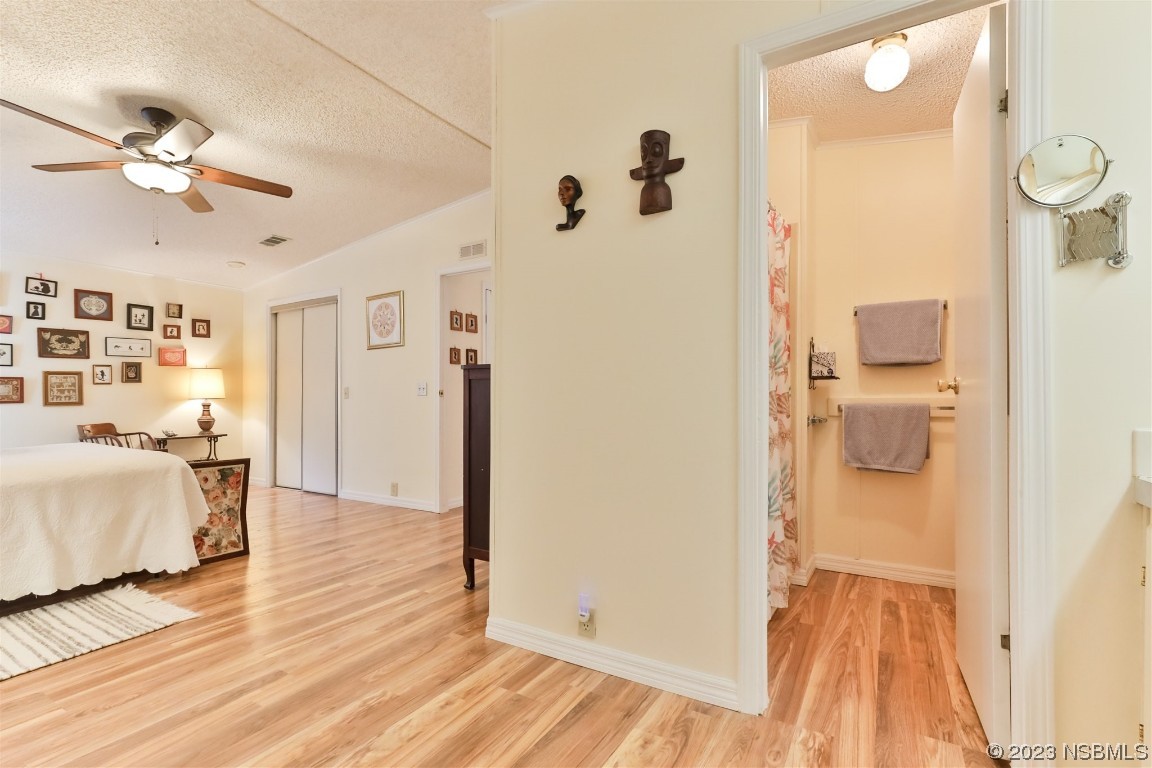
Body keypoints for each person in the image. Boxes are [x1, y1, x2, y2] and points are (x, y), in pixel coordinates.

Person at [628, 129, 684, 215]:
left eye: (656, 151)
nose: (648, 160)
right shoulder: (645, 187)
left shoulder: (663, 188)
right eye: (644, 155)